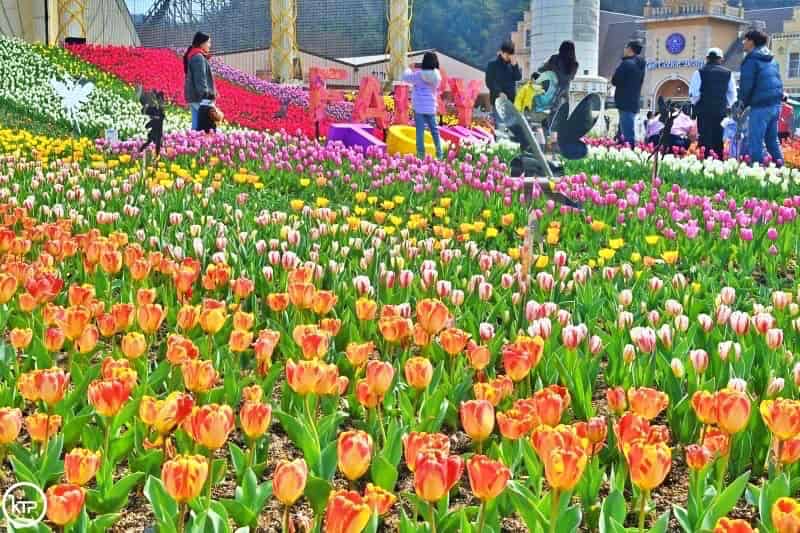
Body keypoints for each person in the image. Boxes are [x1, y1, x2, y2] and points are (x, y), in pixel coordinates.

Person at [740, 29, 784, 165]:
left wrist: (742, 104)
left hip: (760, 106)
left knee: (756, 140)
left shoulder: (751, 60)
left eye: (745, 39)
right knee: (772, 140)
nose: (743, 42)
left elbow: (746, 85)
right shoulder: (771, 59)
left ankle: (756, 171)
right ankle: (781, 169)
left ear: (751, 42)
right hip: (775, 105)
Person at [689, 47, 737, 158]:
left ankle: (704, 160)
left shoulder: (699, 72)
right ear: (721, 59)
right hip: (720, 111)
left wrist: (699, 103)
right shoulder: (728, 73)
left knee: (705, 138)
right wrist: (726, 104)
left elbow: (694, 94)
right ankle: (718, 160)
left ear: (707, 58)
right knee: (718, 137)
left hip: (704, 111)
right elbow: (733, 95)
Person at [403, 52, 443, 160]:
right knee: (434, 131)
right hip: (430, 106)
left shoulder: (418, 75)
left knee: (419, 132)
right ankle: (439, 154)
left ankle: (421, 155)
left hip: (419, 106)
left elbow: (405, 77)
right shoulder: (437, 75)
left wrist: (409, 68)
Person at [611, 40, 646, 145]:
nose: (624, 50)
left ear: (630, 49)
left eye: (626, 47)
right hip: (634, 100)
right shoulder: (641, 65)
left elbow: (615, 80)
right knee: (624, 131)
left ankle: (630, 151)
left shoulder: (626, 64)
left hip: (624, 102)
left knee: (628, 134)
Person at [183, 32, 216, 131]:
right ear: (202, 43)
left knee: (196, 124)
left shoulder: (195, 55)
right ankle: (198, 144)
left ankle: (192, 144)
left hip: (195, 97)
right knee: (205, 126)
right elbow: (200, 79)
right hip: (200, 98)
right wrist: (206, 97)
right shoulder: (198, 58)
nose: (210, 45)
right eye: (208, 42)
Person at [486, 41, 522, 125]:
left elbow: (518, 77)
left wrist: (515, 66)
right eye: (507, 54)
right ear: (502, 52)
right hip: (497, 101)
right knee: (500, 126)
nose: (509, 57)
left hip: (511, 102)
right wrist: (499, 92)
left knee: (511, 126)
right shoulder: (492, 65)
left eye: (511, 55)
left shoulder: (512, 65)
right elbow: (489, 82)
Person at [538, 41, 579, 114]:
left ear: (561, 49)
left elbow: (541, 69)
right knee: (564, 117)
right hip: (565, 95)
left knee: (552, 118)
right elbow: (570, 78)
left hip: (553, 94)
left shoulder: (554, 59)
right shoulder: (575, 64)